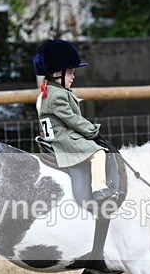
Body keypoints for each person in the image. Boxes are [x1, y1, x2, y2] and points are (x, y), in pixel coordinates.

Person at [33, 39, 118, 202]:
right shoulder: (57, 95)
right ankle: (99, 190)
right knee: (98, 153)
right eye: (70, 72)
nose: (74, 76)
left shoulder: (49, 92)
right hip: (63, 138)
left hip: (58, 135)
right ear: (58, 73)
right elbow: (73, 120)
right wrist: (92, 130)